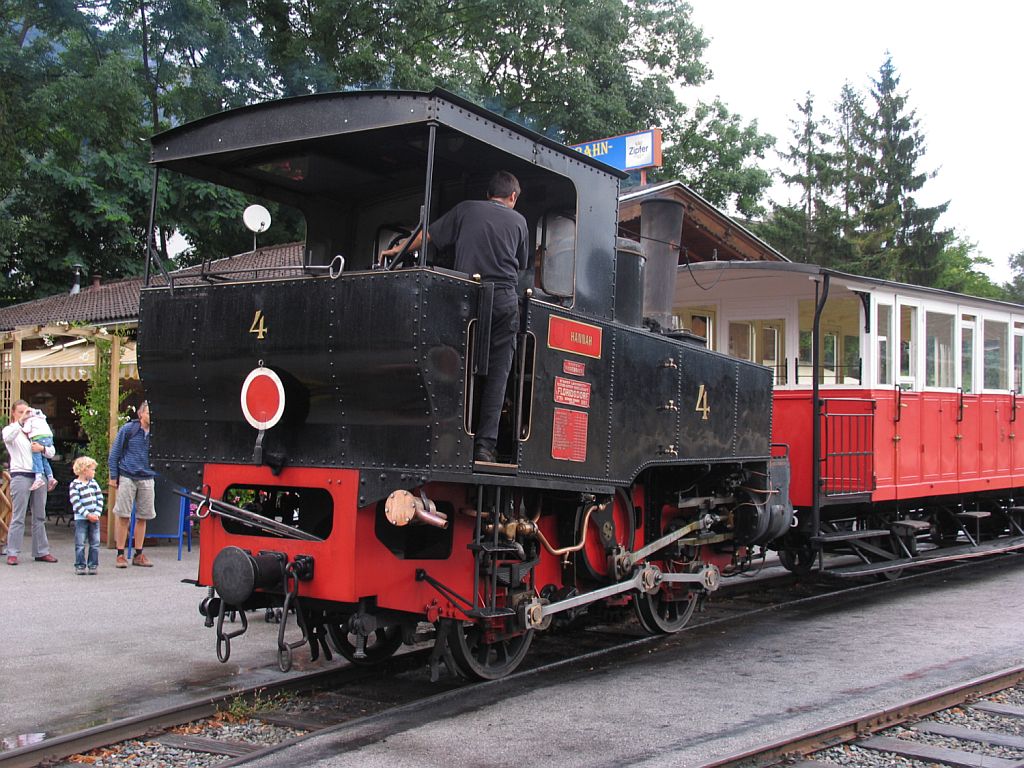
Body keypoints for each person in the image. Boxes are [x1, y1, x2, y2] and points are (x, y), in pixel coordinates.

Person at [381, 171, 529, 463]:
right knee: (498, 376)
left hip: (466, 297)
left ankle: (447, 439)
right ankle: (485, 447)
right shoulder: (520, 221)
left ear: (489, 194)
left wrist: (397, 250)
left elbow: (426, 236)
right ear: (512, 197)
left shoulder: (466, 209)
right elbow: (522, 264)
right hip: (503, 300)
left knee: (456, 369)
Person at [2, 399, 57, 565]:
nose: (25, 415)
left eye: (27, 411)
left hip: (38, 475)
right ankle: (12, 552)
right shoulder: (11, 429)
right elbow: (8, 437)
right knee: (18, 515)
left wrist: (42, 449)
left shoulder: (37, 427)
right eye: (20, 412)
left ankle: (41, 551)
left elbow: (52, 451)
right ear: (13, 413)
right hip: (21, 474)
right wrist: (20, 422)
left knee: (39, 515)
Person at [108, 400, 156, 568]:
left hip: (147, 477)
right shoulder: (129, 429)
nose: (151, 416)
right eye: (148, 412)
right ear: (141, 414)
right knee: (123, 515)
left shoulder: (157, 433)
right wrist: (114, 476)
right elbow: (114, 453)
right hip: (127, 475)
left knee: (144, 516)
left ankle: (139, 553)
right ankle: (120, 554)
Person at [69, 456, 103, 575]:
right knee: (80, 543)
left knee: (95, 543)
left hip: (95, 518)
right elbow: (76, 502)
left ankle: (93, 565)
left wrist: (97, 513)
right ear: (84, 470)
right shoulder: (75, 485)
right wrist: (87, 514)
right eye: (92, 470)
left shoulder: (94, 483)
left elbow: (100, 498)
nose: (94, 472)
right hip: (81, 519)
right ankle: (80, 565)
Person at [21, 406, 57, 491]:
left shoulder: (29, 419)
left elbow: (26, 429)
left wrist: (22, 426)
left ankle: (38, 478)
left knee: (36, 457)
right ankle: (50, 477)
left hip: (38, 438)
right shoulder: (42, 419)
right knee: (43, 460)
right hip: (48, 438)